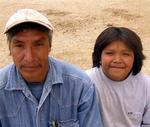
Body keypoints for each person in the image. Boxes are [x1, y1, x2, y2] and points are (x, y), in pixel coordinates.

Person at [0, 8, 103, 127]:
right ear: (10, 49)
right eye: (19, 45)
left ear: (49, 46)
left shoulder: (80, 86)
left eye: (38, 44)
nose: (29, 57)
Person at [86, 26, 150, 127]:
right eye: (110, 53)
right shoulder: (85, 82)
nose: (117, 60)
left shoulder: (146, 85)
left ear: (136, 58)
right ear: (99, 57)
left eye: (126, 54)